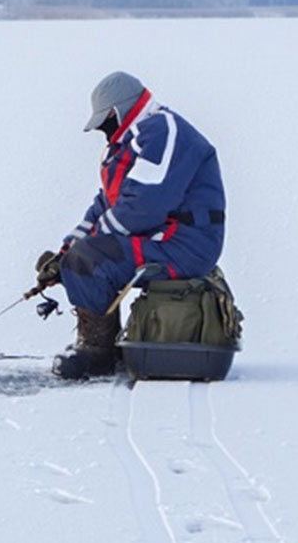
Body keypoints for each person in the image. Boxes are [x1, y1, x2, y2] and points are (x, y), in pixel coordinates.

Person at [37, 71, 227, 379]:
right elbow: (106, 204)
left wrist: (84, 253)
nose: (103, 131)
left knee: (90, 261)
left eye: (103, 123)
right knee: (82, 257)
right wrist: (67, 251)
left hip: (185, 244)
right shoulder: (132, 142)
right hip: (164, 240)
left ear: (115, 112)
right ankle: (98, 345)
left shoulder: (162, 131)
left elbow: (143, 207)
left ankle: (96, 355)